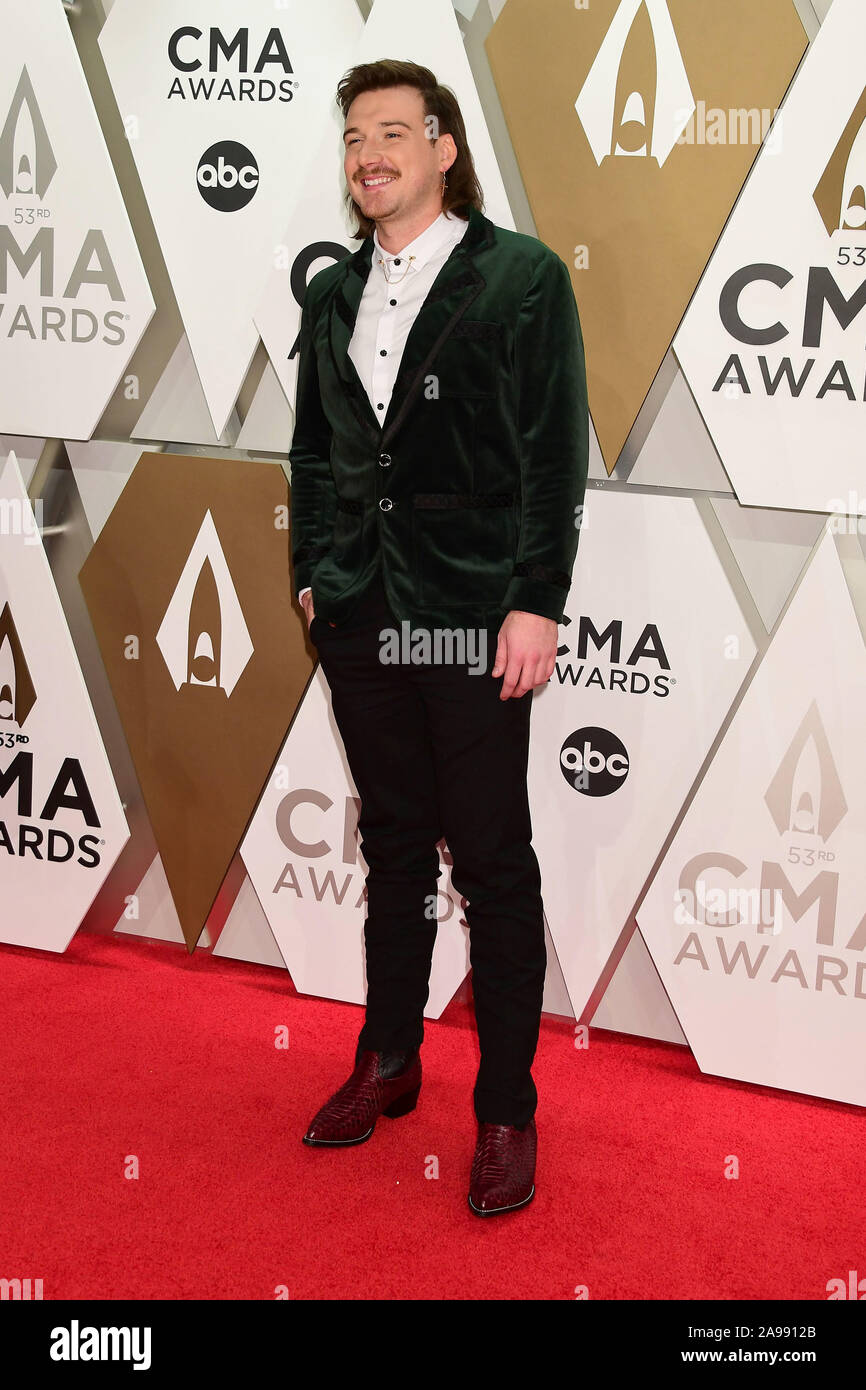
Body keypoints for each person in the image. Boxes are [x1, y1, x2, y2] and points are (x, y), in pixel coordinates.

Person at [289, 59, 588, 1216]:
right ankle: (387, 1058)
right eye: (356, 137)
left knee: (493, 862)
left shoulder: (519, 279)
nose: (370, 154)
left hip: (470, 617)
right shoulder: (332, 292)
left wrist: (536, 598)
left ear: (443, 147)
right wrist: (316, 575)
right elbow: (315, 451)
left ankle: (505, 1105)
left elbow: (552, 449)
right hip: (359, 613)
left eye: (393, 134)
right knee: (397, 848)